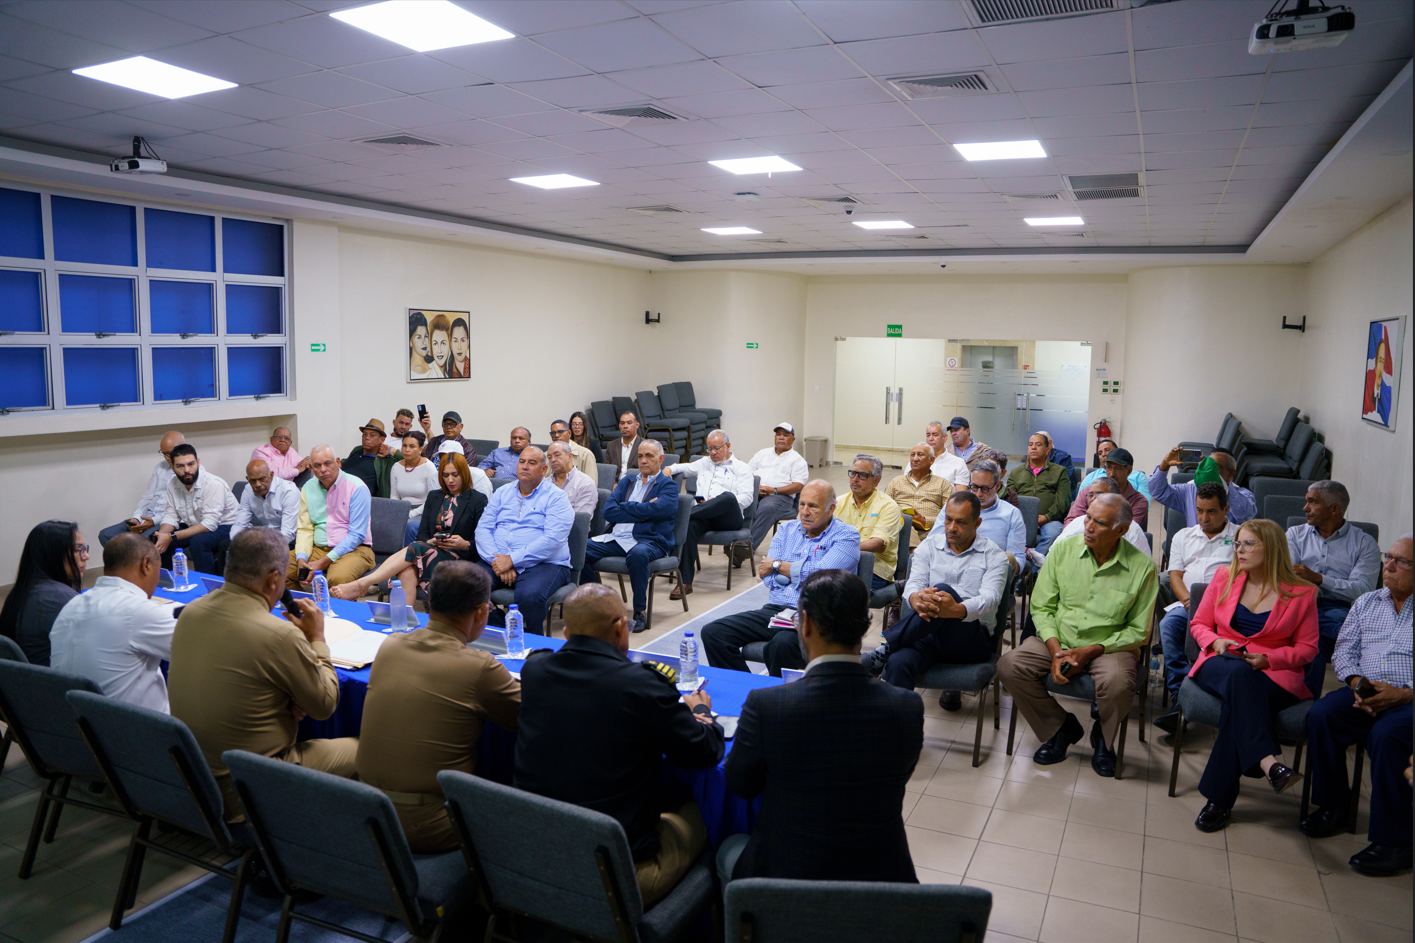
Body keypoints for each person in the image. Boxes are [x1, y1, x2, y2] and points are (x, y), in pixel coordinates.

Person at [514, 583, 723, 907]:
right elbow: (704, 751)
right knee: (709, 812)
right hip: (619, 871)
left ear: (566, 632)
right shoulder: (641, 685)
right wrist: (700, 711)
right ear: (620, 626)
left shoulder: (536, 670)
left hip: (541, 852)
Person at [718, 570, 923, 885]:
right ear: (865, 624)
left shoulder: (768, 706)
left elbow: (741, 785)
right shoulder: (908, 708)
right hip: (882, 882)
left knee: (726, 849)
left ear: (805, 624)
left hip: (785, 875)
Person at [170, 527, 357, 820]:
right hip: (250, 786)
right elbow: (324, 706)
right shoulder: (279, 634)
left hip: (195, 780)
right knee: (362, 750)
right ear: (274, 581)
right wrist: (317, 639)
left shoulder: (190, 613)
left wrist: (283, 699)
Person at [356, 562, 519, 853]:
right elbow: (532, 718)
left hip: (368, 811)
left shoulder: (391, 645)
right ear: (482, 612)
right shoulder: (479, 667)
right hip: (430, 824)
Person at [997, 494, 1158, 778]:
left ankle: (1103, 738)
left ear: (1121, 530)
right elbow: (1042, 606)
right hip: (1059, 637)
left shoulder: (1142, 568)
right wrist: (1057, 650)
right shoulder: (1064, 550)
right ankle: (1060, 728)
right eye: (1088, 518)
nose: (1089, 527)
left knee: (1119, 683)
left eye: (1099, 523)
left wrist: (1089, 652)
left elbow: (1138, 631)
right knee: (1009, 666)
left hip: (1109, 647)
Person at [1187, 519, 1317, 832]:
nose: (1240, 550)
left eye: (1249, 544)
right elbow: (1198, 625)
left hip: (1272, 674)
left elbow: (1308, 649)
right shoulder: (1223, 577)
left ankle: (1220, 801)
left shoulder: (1302, 593)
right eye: (1238, 543)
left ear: (1270, 548)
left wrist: (1269, 659)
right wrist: (1216, 641)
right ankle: (1269, 763)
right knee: (1239, 677)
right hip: (1220, 661)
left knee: (1239, 699)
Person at [1301, 535, 1413, 876]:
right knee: (1321, 715)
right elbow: (1344, 652)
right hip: (1363, 691)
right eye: (1387, 557)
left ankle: (1394, 841)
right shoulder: (1367, 602)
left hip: (1408, 699)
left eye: (1400, 561)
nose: (1388, 566)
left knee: (1387, 734)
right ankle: (1335, 805)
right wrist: (1356, 685)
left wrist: (1404, 694)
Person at [702, 481, 860, 676]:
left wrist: (779, 566)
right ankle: (749, 689)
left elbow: (821, 577)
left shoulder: (848, 536)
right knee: (713, 633)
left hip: (818, 615)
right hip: (777, 611)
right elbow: (767, 576)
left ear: (831, 509)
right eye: (802, 504)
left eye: (813, 506)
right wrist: (795, 573)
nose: (804, 511)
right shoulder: (787, 530)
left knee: (781, 644)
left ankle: (780, 699)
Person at [866, 492, 1010, 697]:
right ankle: (897, 727)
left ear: (977, 523)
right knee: (898, 663)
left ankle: (888, 645)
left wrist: (958, 609)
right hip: (928, 635)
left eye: (961, 522)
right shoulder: (929, 546)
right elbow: (913, 584)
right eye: (948, 519)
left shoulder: (994, 555)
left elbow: (991, 600)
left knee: (944, 591)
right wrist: (916, 598)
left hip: (971, 640)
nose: (952, 527)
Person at [332, 452, 487, 604]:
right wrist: (432, 541)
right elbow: (423, 534)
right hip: (430, 552)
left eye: (455, 474)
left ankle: (362, 584)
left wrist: (464, 544)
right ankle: (403, 624)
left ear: (464, 474)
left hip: (460, 558)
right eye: (445, 475)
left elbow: (482, 542)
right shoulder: (435, 496)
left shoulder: (478, 500)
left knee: (414, 548)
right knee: (406, 573)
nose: (450, 480)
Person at [50, 533, 176, 712]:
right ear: (146, 565)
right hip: (135, 732)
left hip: (74, 728)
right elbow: (204, 652)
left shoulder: (70, 607)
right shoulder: (139, 611)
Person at [1154, 482, 1240, 731]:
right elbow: (1175, 577)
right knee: (1168, 625)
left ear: (1226, 509)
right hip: (1189, 604)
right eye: (1200, 510)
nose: (1204, 517)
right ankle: (1179, 697)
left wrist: (1210, 605)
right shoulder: (1183, 536)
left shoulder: (1239, 537)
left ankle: (1212, 694)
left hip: (1226, 606)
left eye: (1211, 511)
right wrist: (1190, 603)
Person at [1287, 481, 1382, 696]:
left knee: (1314, 640)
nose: (1305, 508)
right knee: (1325, 633)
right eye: (1306, 501)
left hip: (1339, 608)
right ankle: (1348, 637)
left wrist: (1318, 579)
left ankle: (1304, 705)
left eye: (1312, 502)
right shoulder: (1294, 534)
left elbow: (1362, 590)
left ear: (1334, 509)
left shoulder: (1364, 543)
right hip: (1300, 602)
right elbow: (1289, 577)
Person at [474, 446, 574, 634]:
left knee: (529, 596)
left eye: (532, 462)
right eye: (522, 461)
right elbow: (483, 529)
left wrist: (512, 560)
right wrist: (498, 560)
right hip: (498, 558)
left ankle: (532, 643)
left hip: (545, 563)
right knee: (465, 583)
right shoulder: (502, 492)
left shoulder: (557, 497)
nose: (525, 466)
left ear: (544, 470)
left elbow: (552, 539)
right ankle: (502, 629)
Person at [581, 440, 678, 634]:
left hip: (651, 541)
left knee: (638, 554)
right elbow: (608, 511)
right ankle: (601, 604)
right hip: (617, 538)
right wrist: (643, 511)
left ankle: (639, 611)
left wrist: (624, 507)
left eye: (649, 456)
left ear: (660, 459)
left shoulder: (668, 486)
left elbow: (659, 509)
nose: (643, 461)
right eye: (640, 456)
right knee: (580, 550)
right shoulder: (627, 481)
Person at [666, 430, 754, 600]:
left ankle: (681, 515)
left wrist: (717, 501)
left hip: (728, 518)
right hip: (704, 515)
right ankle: (685, 582)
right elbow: (681, 468)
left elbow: (747, 498)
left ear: (727, 446)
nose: (713, 453)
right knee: (690, 525)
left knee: (727, 497)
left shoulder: (741, 468)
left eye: (717, 448)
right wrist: (668, 469)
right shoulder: (704, 463)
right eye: (710, 449)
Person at [286, 445, 375, 590]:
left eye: (327, 463)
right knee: (276, 569)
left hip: (355, 550)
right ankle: (305, 608)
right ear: (311, 468)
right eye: (317, 465)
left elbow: (357, 535)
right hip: (318, 549)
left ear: (338, 462)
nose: (323, 469)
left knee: (338, 581)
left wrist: (324, 562)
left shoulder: (357, 487)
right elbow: (305, 529)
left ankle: (336, 612)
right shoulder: (308, 488)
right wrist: (301, 558)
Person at [0, 520, 86, 665]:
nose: (86, 556)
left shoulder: (20, 592)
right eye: (78, 549)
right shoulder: (61, 599)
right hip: (53, 683)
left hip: (26, 682)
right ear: (53, 554)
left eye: (85, 549)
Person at [154, 444, 239, 575]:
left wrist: (170, 536)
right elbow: (171, 515)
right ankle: (170, 583)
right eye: (180, 466)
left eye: (191, 464)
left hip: (227, 526)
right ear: (172, 467)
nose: (187, 470)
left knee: (199, 542)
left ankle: (207, 589)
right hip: (196, 525)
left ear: (198, 463)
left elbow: (209, 524)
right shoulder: (172, 484)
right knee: (156, 540)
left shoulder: (212, 483)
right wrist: (162, 536)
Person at [98, 430, 183, 547]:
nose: (167, 458)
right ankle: (127, 565)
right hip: (147, 517)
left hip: (166, 521)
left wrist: (154, 521)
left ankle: (133, 564)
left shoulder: (190, 472)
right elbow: (147, 497)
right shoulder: (160, 467)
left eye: (169, 453)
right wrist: (136, 518)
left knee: (139, 542)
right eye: (163, 453)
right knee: (106, 534)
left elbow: (182, 510)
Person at [743, 422, 809, 559]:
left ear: (793, 439)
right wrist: (755, 488)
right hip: (756, 492)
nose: (781, 438)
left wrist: (773, 490)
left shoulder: (797, 460)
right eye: (778, 435)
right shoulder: (762, 453)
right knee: (741, 502)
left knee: (767, 507)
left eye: (785, 435)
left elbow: (798, 485)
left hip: (781, 497)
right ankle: (735, 542)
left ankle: (745, 548)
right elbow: (746, 472)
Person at [837, 454, 902, 592]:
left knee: (836, 589)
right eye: (853, 473)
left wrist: (840, 549)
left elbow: (876, 543)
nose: (855, 479)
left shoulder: (888, 506)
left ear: (876, 481)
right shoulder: (838, 503)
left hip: (872, 569)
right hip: (839, 562)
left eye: (862, 475)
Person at [1150, 448, 1255, 525]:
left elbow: (1245, 515)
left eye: (1216, 467)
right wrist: (1164, 466)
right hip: (1195, 548)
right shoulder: (1190, 489)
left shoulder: (1242, 494)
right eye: (1208, 465)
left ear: (1231, 473)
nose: (1210, 470)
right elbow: (1158, 492)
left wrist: (1224, 485)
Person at [1007, 433, 1072, 555]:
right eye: (1030, 444)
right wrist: (1025, 518)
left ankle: (1033, 565)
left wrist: (1046, 517)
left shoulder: (1059, 472)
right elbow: (1009, 501)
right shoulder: (1016, 473)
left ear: (1047, 450)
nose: (1033, 447)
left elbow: (1063, 502)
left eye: (1038, 444)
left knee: (1054, 533)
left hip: (1050, 520)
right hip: (1021, 519)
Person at [1054, 477, 1148, 556]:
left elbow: (1143, 566)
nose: (1093, 499)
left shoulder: (1132, 529)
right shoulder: (1077, 523)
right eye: (1091, 495)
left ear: (1115, 498)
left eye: (1100, 495)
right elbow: (1054, 553)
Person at [1064, 447, 1149, 532]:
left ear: (1129, 471)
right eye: (1108, 467)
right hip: (1082, 539)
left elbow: (1127, 532)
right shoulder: (1088, 492)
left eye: (1117, 468)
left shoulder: (1138, 501)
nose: (1112, 473)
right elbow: (1070, 522)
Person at [885, 442, 952, 548]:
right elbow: (883, 508)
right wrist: (900, 513)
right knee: (906, 522)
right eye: (912, 455)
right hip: (900, 530)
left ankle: (915, 555)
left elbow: (949, 516)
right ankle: (916, 555)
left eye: (920, 455)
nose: (915, 459)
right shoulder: (896, 482)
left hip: (930, 532)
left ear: (932, 460)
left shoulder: (943, 484)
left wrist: (924, 521)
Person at [970, 459, 1026, 569]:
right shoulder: (955, 507)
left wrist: (1007, 563)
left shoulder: (1011, 514)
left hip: (990, 569)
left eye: (985, 489)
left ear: (998, 486)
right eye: (974, 487)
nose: (978, 494)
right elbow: (933, 542)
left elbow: (1018, 558)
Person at [231, 459, 300, 545]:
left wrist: (262, 546)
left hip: (289, 540)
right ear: (247, 479)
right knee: (226, 545)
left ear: (271, 475)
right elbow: (239, 525)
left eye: (262, 479)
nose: (258, 485)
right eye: (253, 480)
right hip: (265, 536)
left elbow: (288, 533)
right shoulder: (248, 490)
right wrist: (236, 543)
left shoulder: (288, 491)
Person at [390, 432, 440, 543]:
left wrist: (410, 514)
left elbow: (432, 500)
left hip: (423, 512)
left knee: (408, 526)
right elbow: (394, 495)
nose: (407, 450)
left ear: (420, 449)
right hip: (402, 510)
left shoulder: (428, 467)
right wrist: (397, 512)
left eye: (412, 446)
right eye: (404, 446)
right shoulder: (396, 467)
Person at [1079, 438, 1150, 499]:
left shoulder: (1139, 477)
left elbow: (1143, 504)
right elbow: (1080, 502)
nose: (1103, 454)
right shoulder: (1090, 477)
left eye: (1107, 450)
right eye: (1100, 453)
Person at [344, 418, 393, 498]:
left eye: (372, 435)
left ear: (382, 439)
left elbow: (407, 461)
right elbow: (346, 462)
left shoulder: (384, 459)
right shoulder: (357, 450)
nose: (367, 437)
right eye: (365, 434)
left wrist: (392, 451)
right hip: (341, 494)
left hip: (362, 499)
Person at [548, 441, 598, 516]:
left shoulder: (585, 484)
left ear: (570, 457)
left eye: (557, 455)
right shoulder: (544, 483)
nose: (553, 460)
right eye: (549, 457)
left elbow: (579, 520)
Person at [924, 421, 970, 491]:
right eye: (928, 435)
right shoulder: (917, 461)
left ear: (944, 437)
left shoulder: (958, 463)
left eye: (935, 435)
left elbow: (960, 497)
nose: (931, 439)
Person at [603, 411, 645, 484]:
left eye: (629, 423)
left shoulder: (645, 445)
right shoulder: (612, 445)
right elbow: (607, 471)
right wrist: (613, 483)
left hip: (636, 485)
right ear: (619, 426)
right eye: (622, 423)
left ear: (637, 425)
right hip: (616, 487)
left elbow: (647, 472)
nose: (625, 426)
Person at [409, 311, 438, 378]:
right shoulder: (408, 371)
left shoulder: (434, 364)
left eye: (426, 336)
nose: (424, 342)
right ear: (410, 341)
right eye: (419, 337)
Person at [427, 313, 453, 378]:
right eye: (435, 344)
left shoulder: (452, 372)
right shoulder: (427, 373)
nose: (439, 350)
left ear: (449, 343)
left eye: (443, 343)